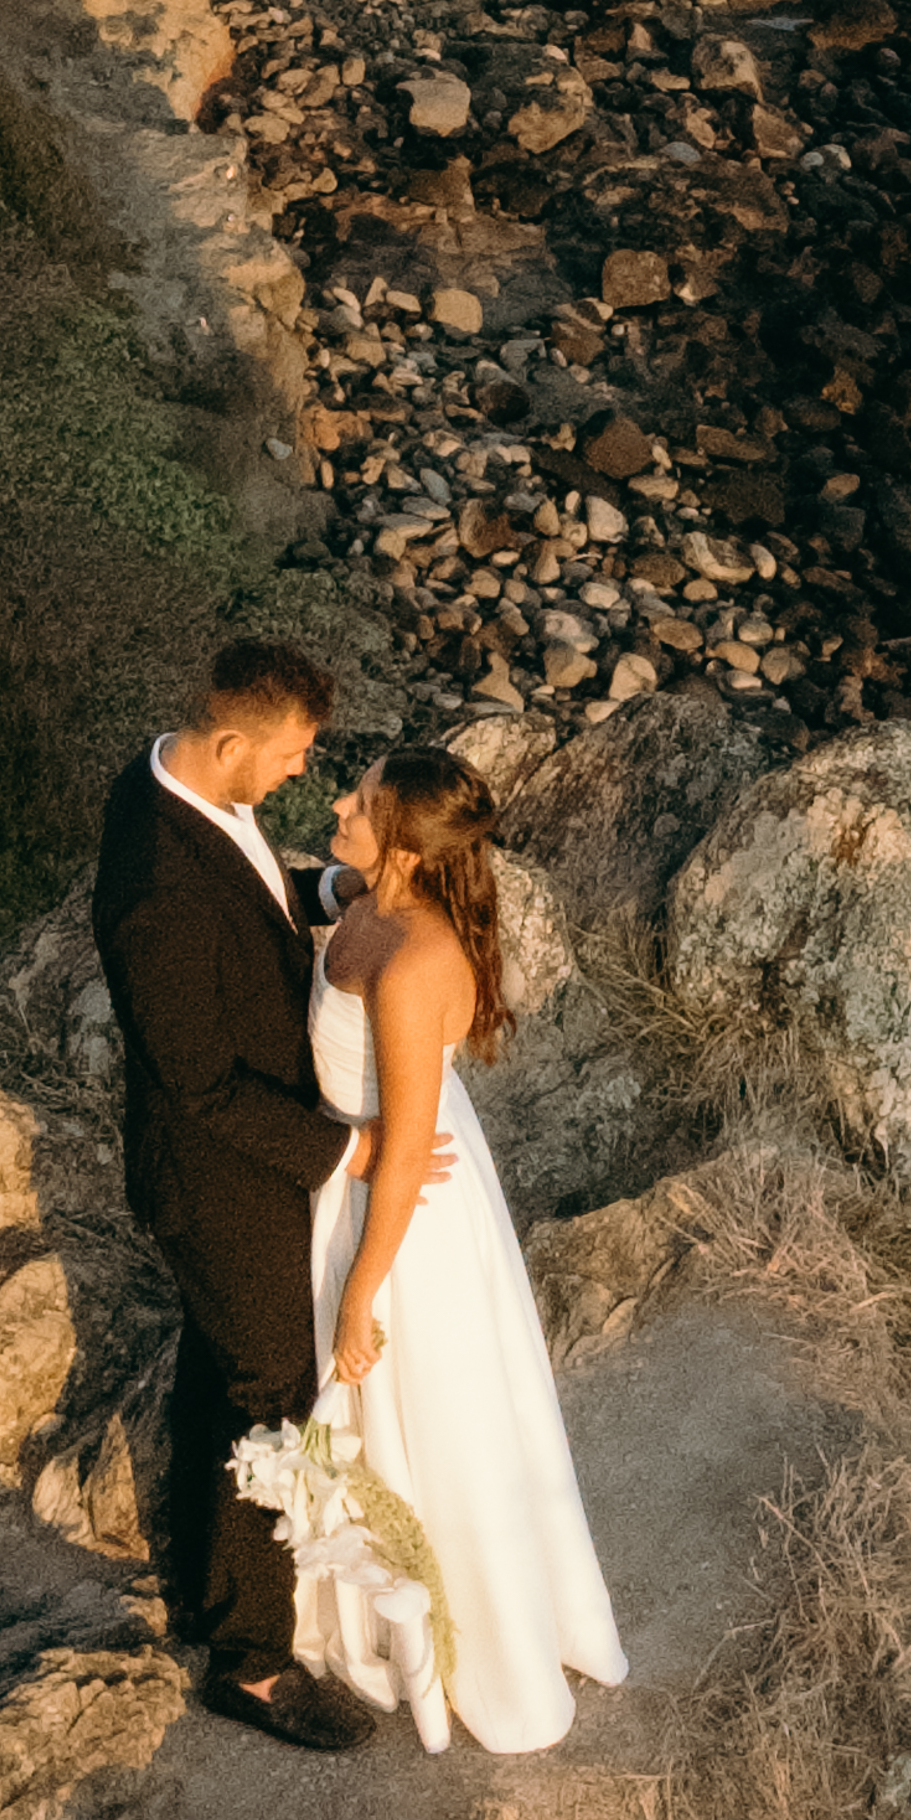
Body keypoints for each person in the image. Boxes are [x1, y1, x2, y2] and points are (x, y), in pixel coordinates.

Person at [260, 730, 630, 1760]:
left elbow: (408, 1150)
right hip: (352, 1174)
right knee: (370, 1421)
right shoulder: (368, 902)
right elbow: (314, 887)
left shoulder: (420, 959)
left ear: (408, 849)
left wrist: (361, 1297)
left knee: (429, 1416)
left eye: (363, 799)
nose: (342, 800)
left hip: (403, 1215)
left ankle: (477, 1643)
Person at [88, 651, 372, 1751]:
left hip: (239, 1163)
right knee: (273, 1384)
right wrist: (341, 1150)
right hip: (215, 1176)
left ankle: (203, 1575)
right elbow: (198, 1083)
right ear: (234, 743)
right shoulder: (157, 889)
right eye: (296, 750)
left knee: (223, 1365)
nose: (308, 770)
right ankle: (250, 1660)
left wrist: (325, 892)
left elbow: (249, 904)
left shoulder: (173, 778)